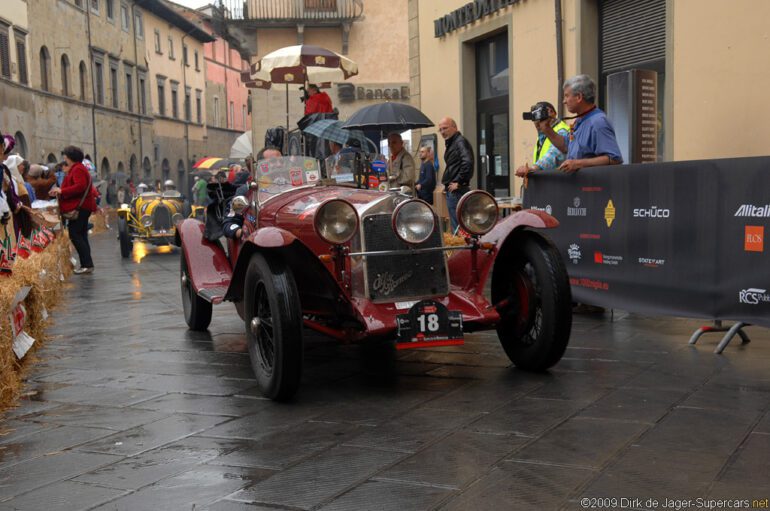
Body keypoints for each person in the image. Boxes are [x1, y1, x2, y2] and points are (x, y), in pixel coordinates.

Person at [537, 74, 623, 173]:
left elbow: (615, 159)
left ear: (578, 97)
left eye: (566, 96)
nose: (564, 101)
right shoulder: (579, 121)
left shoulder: (598, 122)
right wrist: (546, 129)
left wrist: (578, 164)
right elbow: (565, 146)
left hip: (593, 186)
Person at [49, 145, 97, 274]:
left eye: (65, 156)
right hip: (83, 207)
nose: (64, 158)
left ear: (71, 157)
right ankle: (87, 264)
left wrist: (62, 190)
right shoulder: (78, 168)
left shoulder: (77, 169)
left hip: (80, 208)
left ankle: (87, 264)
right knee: (81, 235)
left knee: (75, 234)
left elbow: (79, 187)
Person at [515, 102, 570, 177]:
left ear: (551, 112)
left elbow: (554, 154)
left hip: (558, 181)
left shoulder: (561, 130)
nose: (536, 121)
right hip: (547, 181)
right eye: (534, 116)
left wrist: (533, 168)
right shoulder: (542, 135)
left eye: (539, 115)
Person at [438, 117, 474, 232]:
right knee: (460, 226)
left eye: (445, 128)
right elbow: (454, 166)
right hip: (454, 191)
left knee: (458, 227)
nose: (443, 132)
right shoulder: (453, 143)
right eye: (440, 130)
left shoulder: (459, 142)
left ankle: (460, 249)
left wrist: (459, 182)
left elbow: (467, 162)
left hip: (457, 191)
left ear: (454, 127)